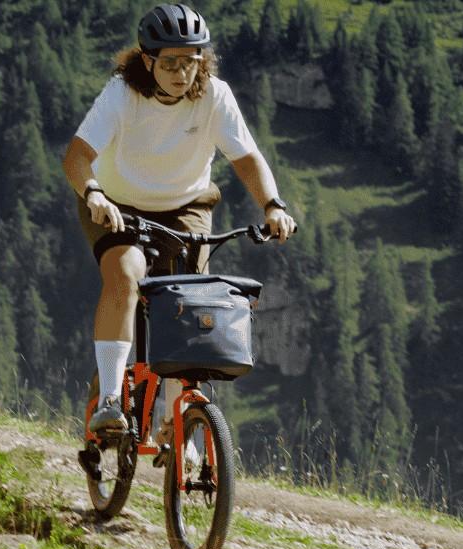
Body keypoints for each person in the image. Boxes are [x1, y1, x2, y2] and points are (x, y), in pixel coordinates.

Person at [61, 3, 296, 439]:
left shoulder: (214, 96)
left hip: (186, 206)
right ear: (147, 60)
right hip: (116, 204)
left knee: (187, 303)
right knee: (126, 274)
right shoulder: (121, 93)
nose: (180, 72)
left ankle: (176, 422)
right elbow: (77, 157)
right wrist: (93, 193)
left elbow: (246, 159)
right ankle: (111, 400)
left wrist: (273, 205)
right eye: (169, 62)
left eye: (190, 61)